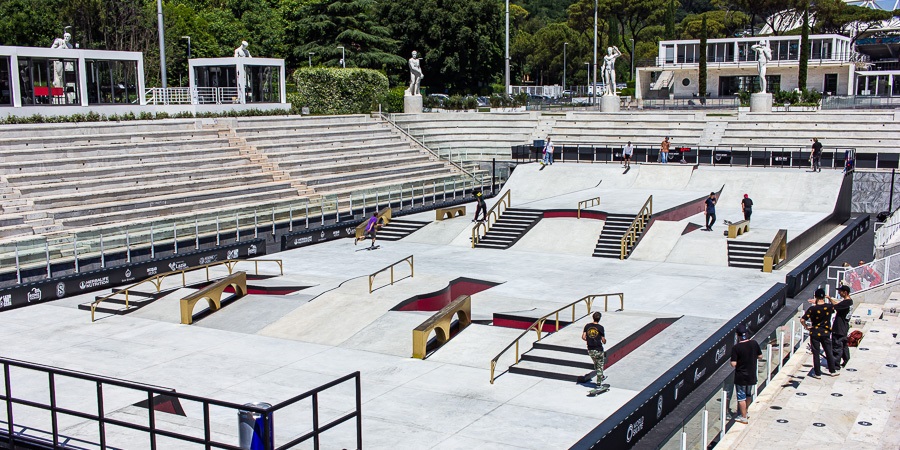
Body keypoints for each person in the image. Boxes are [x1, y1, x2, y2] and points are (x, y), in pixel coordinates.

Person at [801, 288, 837, 378]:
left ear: (815, 297)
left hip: (815, 332)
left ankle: (817, 373)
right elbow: (835, 306)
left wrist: (806, 327)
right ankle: (832, 371)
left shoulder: (812, 308)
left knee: (816, 353)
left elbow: (802, 319)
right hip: (825, 332)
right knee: (828, 351)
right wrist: (829, 298)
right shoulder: (828, 307)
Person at [730, 324, 762, 424]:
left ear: (737, 335)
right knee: (748, 395)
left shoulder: (736, 348)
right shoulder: (754, 343)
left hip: (741, 377)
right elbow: (760, 356)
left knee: (741, 397)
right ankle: (746, 411)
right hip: (751, 374)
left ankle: (743, 416)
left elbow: (733, 364)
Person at [829, 285, 854, 369]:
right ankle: (847, 361)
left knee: (837, 346)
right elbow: (838, 305)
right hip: (843, 327)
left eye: (840, 291)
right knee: (844, 345)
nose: (839, 293)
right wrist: (830, 299)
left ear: (845, 292)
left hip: (839, 328)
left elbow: (834, 307)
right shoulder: (848, 302)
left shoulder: (846, 303)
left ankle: (835, 365)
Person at [582, 312, 607, 387]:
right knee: (600, 366)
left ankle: (601, 376)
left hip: (590, 349)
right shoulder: (600, 327)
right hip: (598, 349)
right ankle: (599, 384)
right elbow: (603, 340)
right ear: (599, 318)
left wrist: (589, 340)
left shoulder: (587, 326)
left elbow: (583, 337)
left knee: (596, 364)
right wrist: (604, 341)